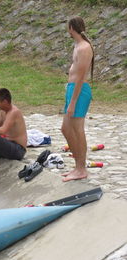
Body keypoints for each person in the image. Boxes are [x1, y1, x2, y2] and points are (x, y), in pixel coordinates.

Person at [61, 16, 94, 182]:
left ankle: (81, 168)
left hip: (79, 92)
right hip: (73, 90)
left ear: (71, 28)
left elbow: (80, 77)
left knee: (77, 130)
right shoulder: (78, 46)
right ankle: (77, 165)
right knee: (66, 129)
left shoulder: (84, 48)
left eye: (68, 27)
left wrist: (73, 101)